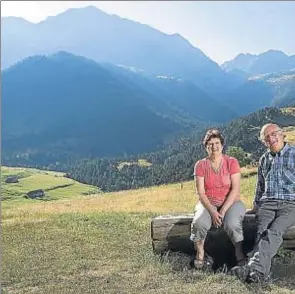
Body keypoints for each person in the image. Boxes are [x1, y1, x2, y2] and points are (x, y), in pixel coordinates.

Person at [230, 123, 295, 284]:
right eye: (266, 138)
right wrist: (255, 206)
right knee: (260, 233)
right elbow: (260, 186)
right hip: (267, 204)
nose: (271, 139)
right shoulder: (264, 159)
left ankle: (252, 268)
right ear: (264, 142)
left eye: (274, 134)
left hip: (290, 204)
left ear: (282, 135)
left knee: (274, 231)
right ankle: (258, 274)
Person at [190, 129, 246, 269]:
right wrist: (213, 212)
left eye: (217, 143)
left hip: (232, 202)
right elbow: (201, 193)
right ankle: (200, 253)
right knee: (199, 222)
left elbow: (235, 189)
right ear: (206, 146)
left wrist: (223, 210)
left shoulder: (231, 162)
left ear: (222, 144)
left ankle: (239, 254)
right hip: (208, 202)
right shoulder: (200, 165)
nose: (214, 146)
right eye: (210, 144)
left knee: (232, 223)